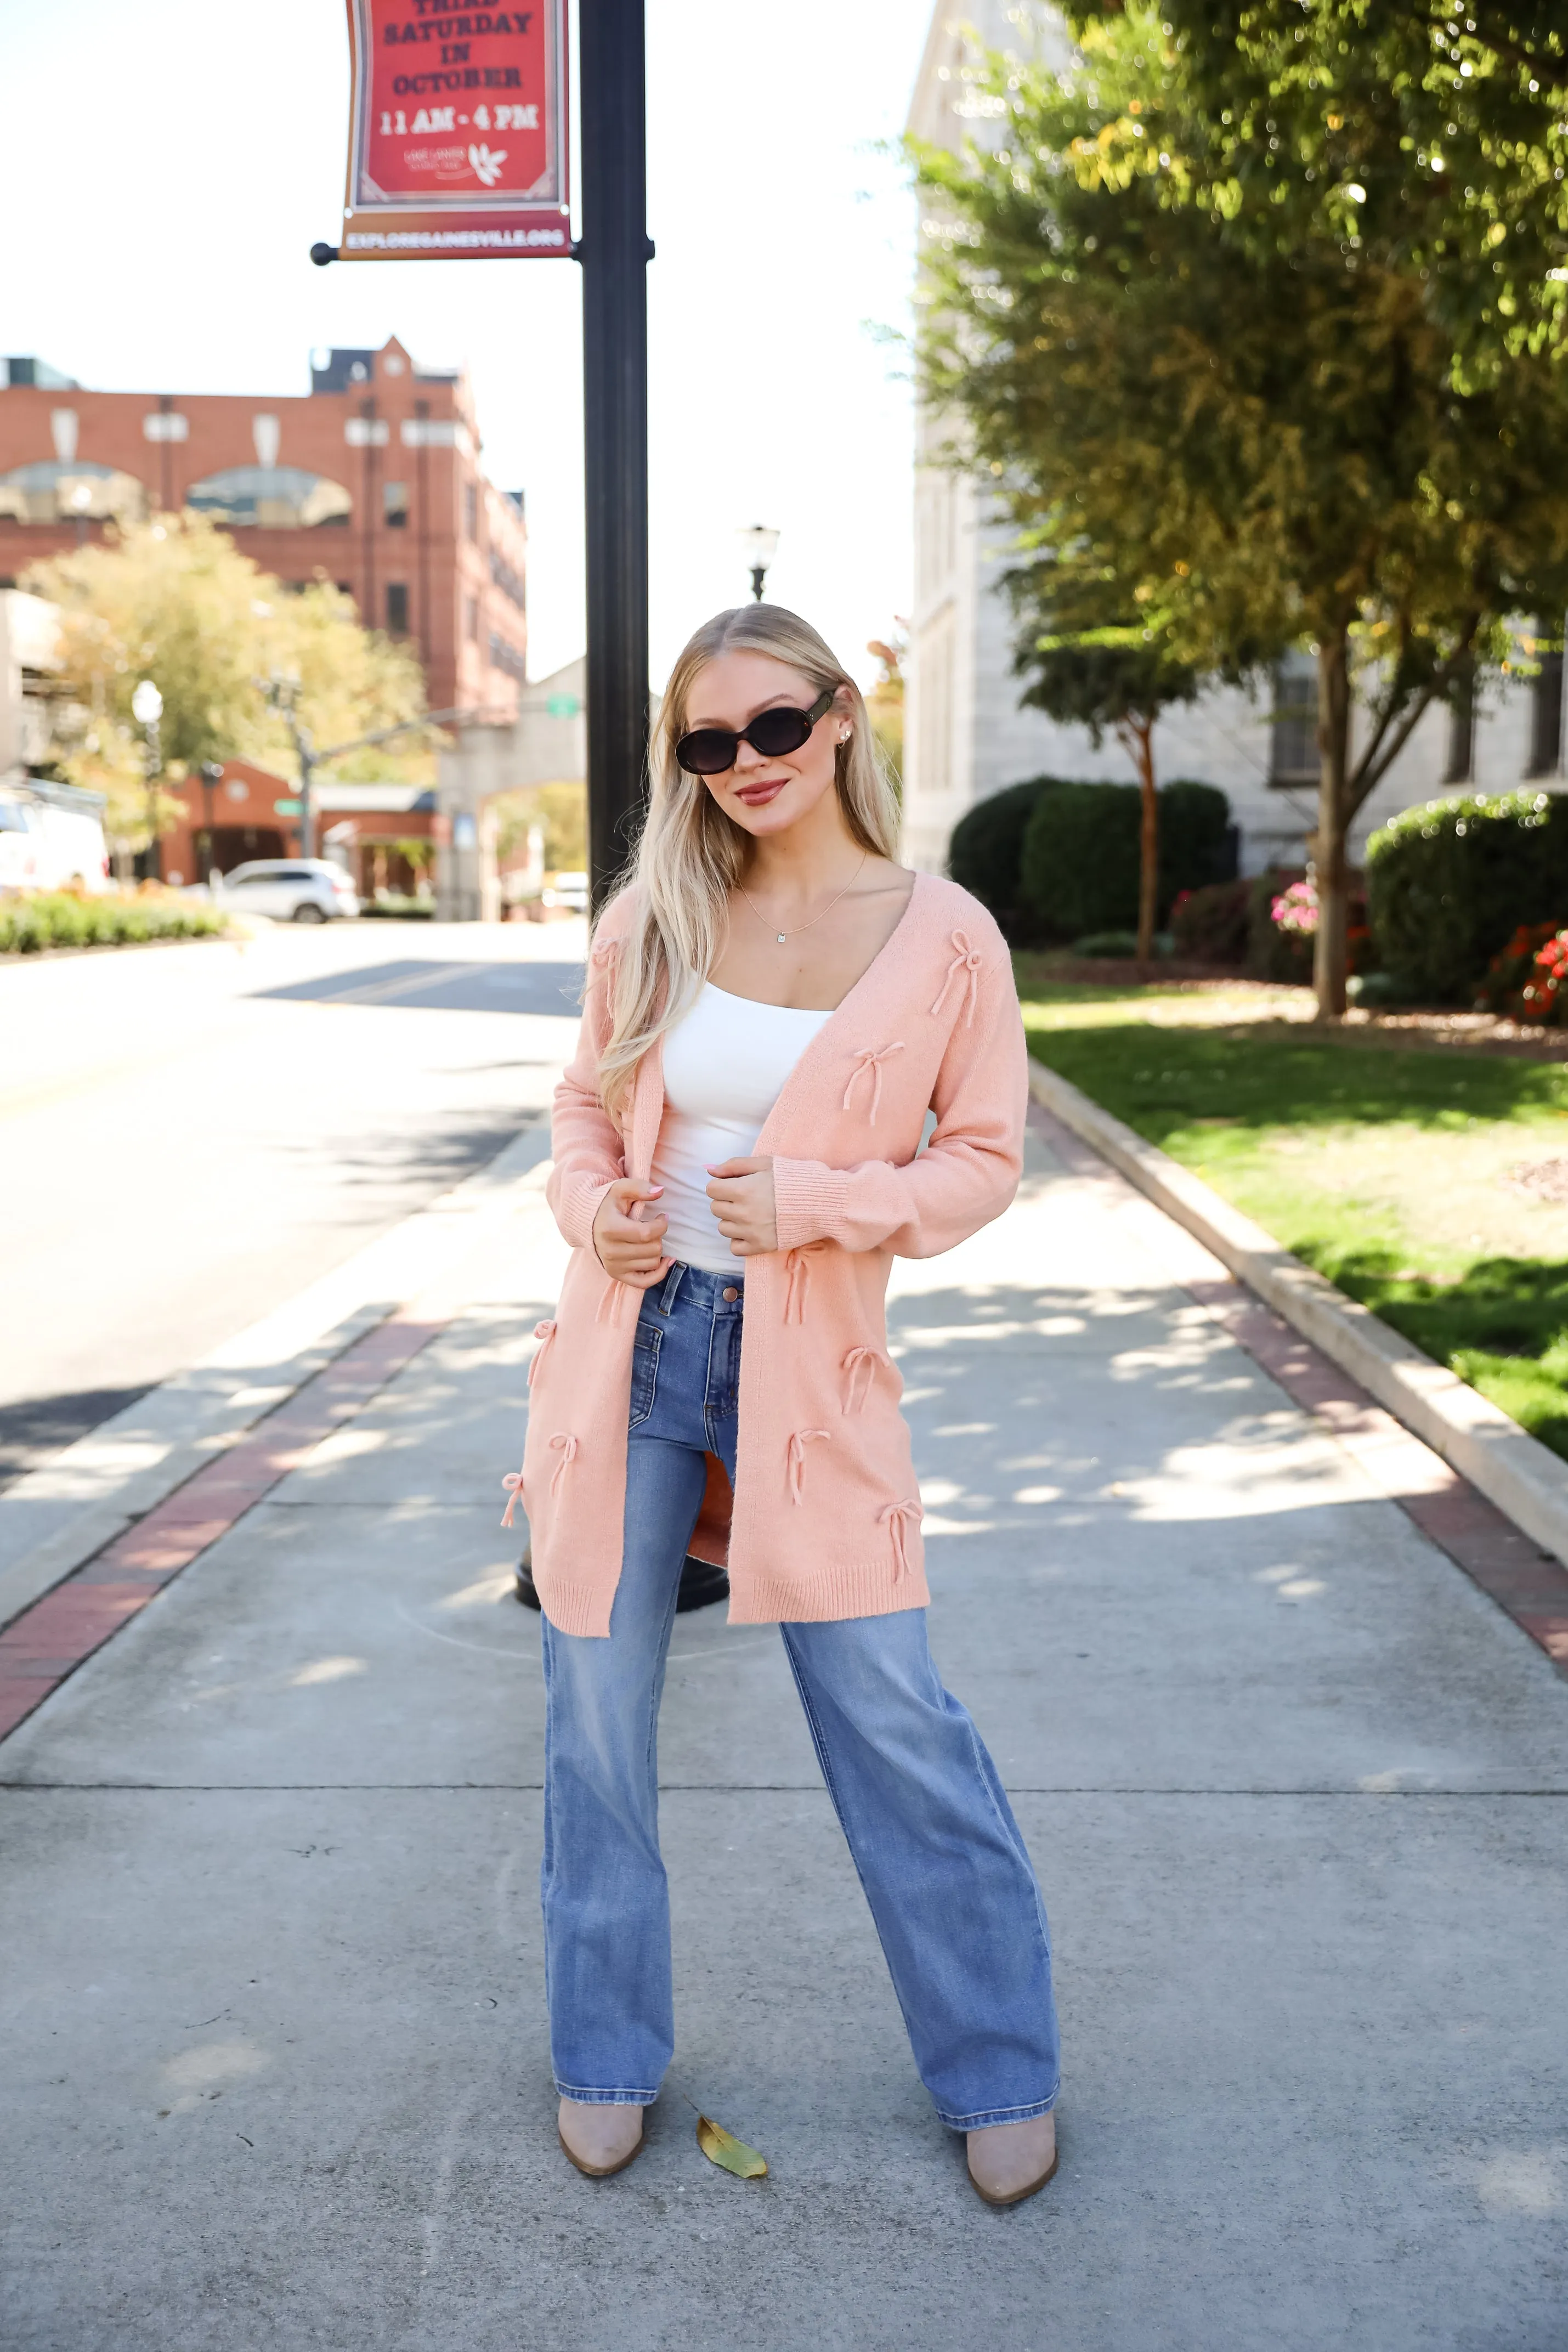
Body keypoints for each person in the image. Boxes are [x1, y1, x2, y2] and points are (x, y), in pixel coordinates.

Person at [506, 603, 1060, 2207]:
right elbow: (581, 1106)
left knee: (892, 1712)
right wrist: (591, 1202)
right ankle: (603, 2053)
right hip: (629, 1354)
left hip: (808, 1369)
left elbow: (982, 1160)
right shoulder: (654, 913)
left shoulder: (942, 934)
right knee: (594, 1720)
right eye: (704, 742)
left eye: (770, 727)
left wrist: (820, 1198)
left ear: (838, 718)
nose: (741, 764)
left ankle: (1000, 2066)